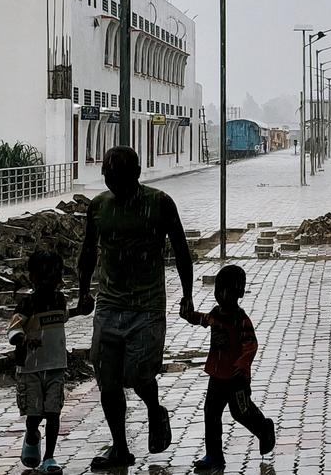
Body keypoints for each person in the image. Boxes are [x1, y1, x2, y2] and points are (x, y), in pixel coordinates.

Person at [77, 146, 195, 470]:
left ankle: (155, 410)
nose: (114, 183)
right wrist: (83, 292)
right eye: (109, 177)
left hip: (147, 305)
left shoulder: (160, 203)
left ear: (137, 175)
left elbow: (181, 250)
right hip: (109, 304)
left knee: (139, 374)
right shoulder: (99, 207)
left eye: (121, 178)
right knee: (107, 379)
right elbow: (88, 251)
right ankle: (120, 447)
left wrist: (187, 296)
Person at [8, 250, 93, 474]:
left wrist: (80, 311)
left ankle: (49, 457)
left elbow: (64, 316)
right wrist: (23, 339)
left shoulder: (58, 300)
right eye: (47, 276)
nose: (51, 282)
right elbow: (14, 328)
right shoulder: (27, 304)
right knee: (34, 415)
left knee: (54, 413)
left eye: (55, 277)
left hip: (56, 366)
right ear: (33, 278)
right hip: (31, 368)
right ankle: (32, 435)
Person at [184, 264, 275, 471]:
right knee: (211, 413)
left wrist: (241, 364)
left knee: (241, 411)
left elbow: (251, 344)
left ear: (239, 293)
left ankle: (263, 428)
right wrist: (189, 315)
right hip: (217, 375)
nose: (221, 295)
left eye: (227, 291)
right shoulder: (216, 313)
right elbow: (203, 319)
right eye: (219, 291)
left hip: (236, 379)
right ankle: (214, 455)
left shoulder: (241, 319)